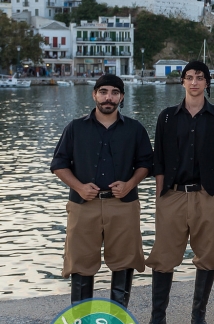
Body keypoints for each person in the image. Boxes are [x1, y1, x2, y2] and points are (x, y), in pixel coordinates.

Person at [144, 62, 214, 324]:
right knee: (163, 257)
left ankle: (198, 317)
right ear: (182, 81)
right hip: (172, 195)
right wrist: (160, 197)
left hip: (208, 195)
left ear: (207, 82)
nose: (194, 82)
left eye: (199, 77)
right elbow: (159, 161)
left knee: (208, 256)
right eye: (189, 77)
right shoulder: (167, 117)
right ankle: (157, 318)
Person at [51, 74, 153, 307]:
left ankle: (118, 319)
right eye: (104, 92)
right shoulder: (75, 128)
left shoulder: (135, 129)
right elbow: (58, 164)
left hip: (123, 205)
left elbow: (146, 164)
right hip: (83, 205)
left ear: (122, 97)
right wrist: (79, 187)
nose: (109, 97)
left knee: (125, 261)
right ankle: (81, 321)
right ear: (94, 94)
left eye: (115, 93)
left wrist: (129, 184)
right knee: (80, 262)